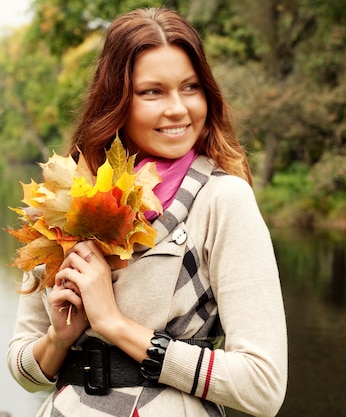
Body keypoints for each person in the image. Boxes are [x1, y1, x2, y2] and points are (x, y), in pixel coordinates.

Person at [7, 7, 287, 417]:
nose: (177, 108)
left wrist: (115, 326)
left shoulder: (222, 200)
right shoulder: (66, 199)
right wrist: (58, 340)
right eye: (152, 92)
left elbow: (262, 386)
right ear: (115, 99)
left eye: (190, 87)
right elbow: (23, 369)